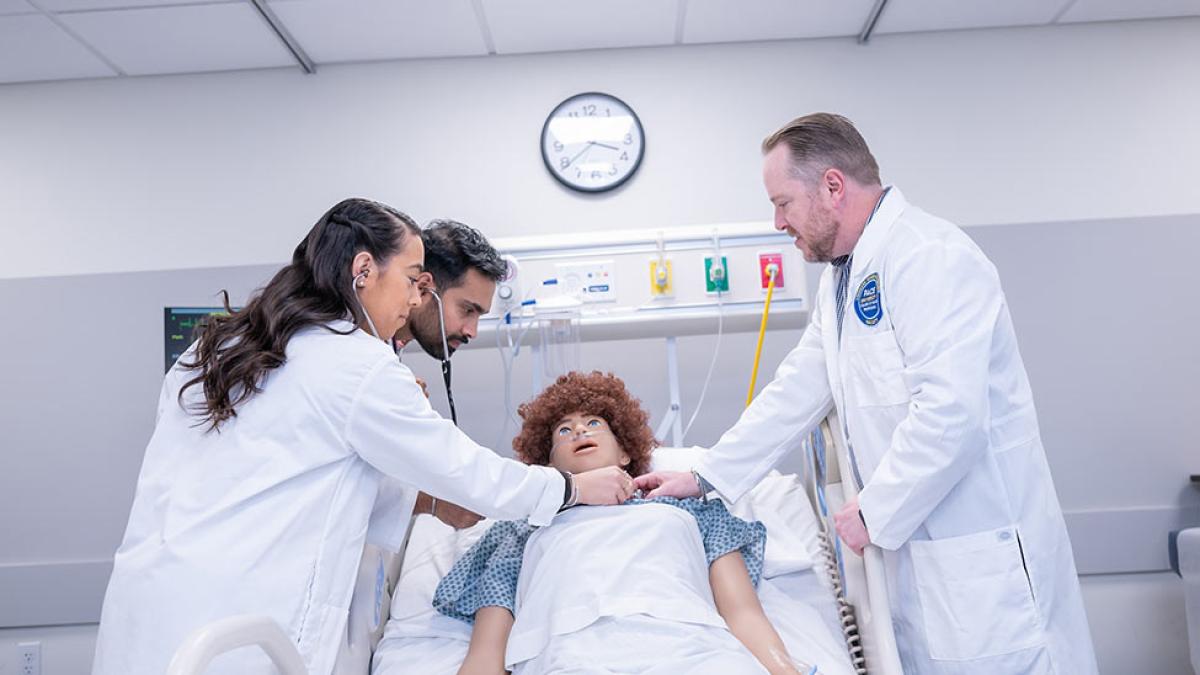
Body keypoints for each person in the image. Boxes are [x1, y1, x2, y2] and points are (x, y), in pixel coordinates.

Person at [92, 198, 636, 675]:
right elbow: (469, 474)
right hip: (248, 620)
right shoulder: (357, 365)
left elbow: (295, 471)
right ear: (363, 271)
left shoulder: (215, 347)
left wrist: (423, 500)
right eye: (412, 280)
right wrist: (569, 488)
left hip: (152, 607)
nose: (415, 299)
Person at [635, 114, 1097, 673]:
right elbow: (797, 390)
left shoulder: (931, 257)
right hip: (920, 567)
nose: (777, 221)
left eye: (783, 202)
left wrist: (874, 512)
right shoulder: (841, 279)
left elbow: (953, 416)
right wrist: (707, 474)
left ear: (832, 186)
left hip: (979, 562)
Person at [430, 371, 811, 675]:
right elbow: (487, 653)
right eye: (563, 431)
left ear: (627, 452)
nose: (579, 431)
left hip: (695, 650)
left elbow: (742, 612)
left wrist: (783, 669)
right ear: (548, 467)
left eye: (594, 423)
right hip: (571, 657)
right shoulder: (521, 529)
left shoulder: (691, 510)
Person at [394, 219, 509, 531]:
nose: (472, 331)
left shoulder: (390, 358)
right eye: (467, 310)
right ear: (424, 287)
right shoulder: (368, 361)